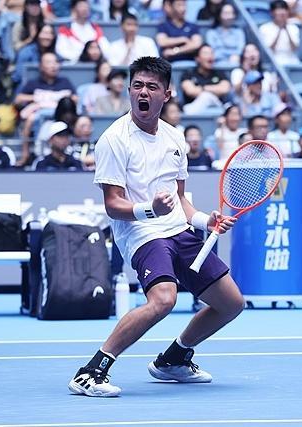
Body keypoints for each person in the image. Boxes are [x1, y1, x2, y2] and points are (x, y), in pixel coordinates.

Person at [67, 56, 244, 398]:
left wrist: (205, 221)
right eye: (137, 85)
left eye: (151, 86)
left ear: (167, 94)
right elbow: (113, 205)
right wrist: (150, 210)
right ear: (129, 90)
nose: (143, 92)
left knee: (231, 302)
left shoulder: (175, 138)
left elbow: (181, 200)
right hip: (141, 233)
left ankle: (173, 359)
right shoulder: (113, 140)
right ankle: (91, 372)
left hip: (179, 230)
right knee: (163, 299)